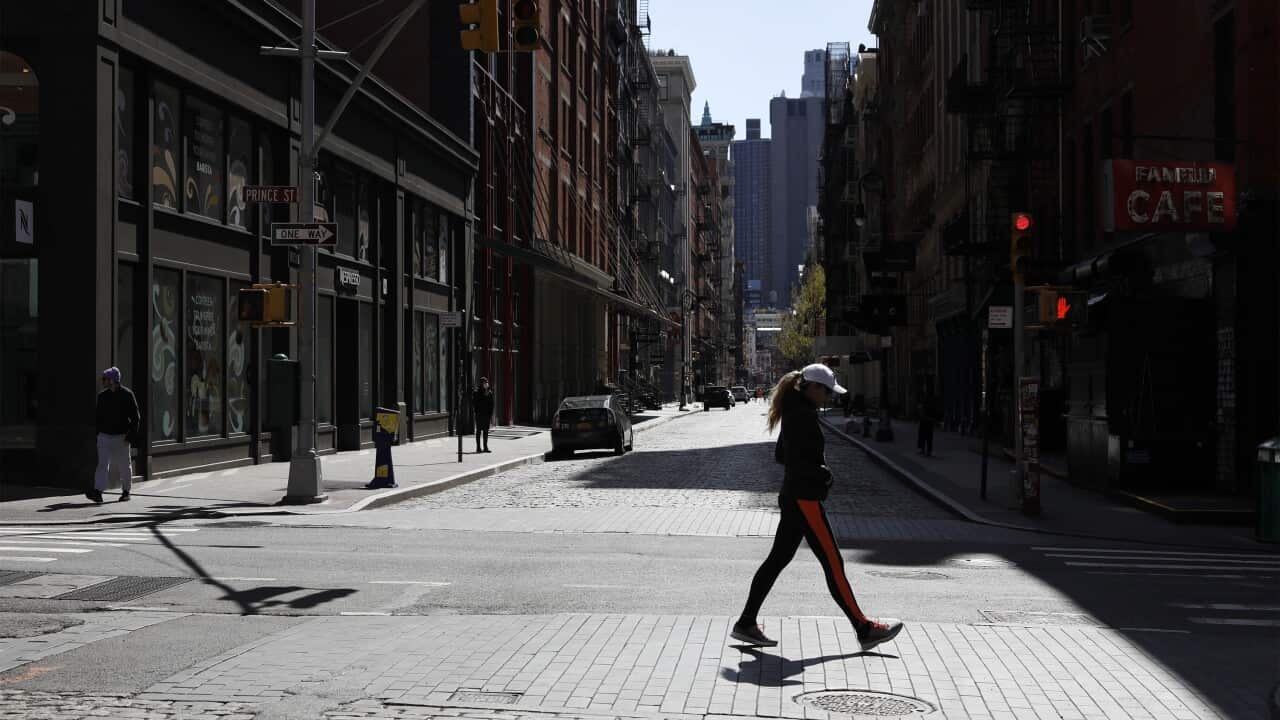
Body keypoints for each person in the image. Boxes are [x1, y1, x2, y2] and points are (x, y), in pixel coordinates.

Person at [732, 363, 903, 652]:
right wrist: (824, 476)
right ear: (812, 388)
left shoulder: (795, 411)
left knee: (777, 561)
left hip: (795, 496)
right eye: (826, 392)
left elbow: (781, 455)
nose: (829, 398)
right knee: (834, 564)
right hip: (805, 500)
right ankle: (864, 628)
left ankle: (746, 622)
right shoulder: (801, 416)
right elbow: (796, 460)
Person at [91, 366, 140, 503]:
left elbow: (136, 417)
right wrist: (98, 434)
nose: (103, 381)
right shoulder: (102, 396)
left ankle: (126, 491)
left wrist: (130, 437)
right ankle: (98, 492)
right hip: (104, 437)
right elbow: (97, 417)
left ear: (113, 380)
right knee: (102, 465)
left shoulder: (127, 395)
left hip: (121, 437)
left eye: (105, 379)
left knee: (124, 466)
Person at [471, 378, 495, 453]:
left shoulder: (490, 393)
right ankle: (478, 447)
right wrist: (476, 412)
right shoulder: (476, 392)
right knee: (478, 431)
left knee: (486, 431)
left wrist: (490, 414)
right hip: (479, 415)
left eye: (487, 383)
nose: (486, 384)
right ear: (481, 383)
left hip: (487, 415)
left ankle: (485, 447)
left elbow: (492, 404)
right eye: (485, 383)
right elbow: (475, 403)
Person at [917, 392, 936, 457]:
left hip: (925, 421)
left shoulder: (924, 405)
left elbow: (921, 414)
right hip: (927, 422)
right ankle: (927, 450)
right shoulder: (928, 405)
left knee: (924, 436)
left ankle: (925, 450)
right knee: (927, 436)